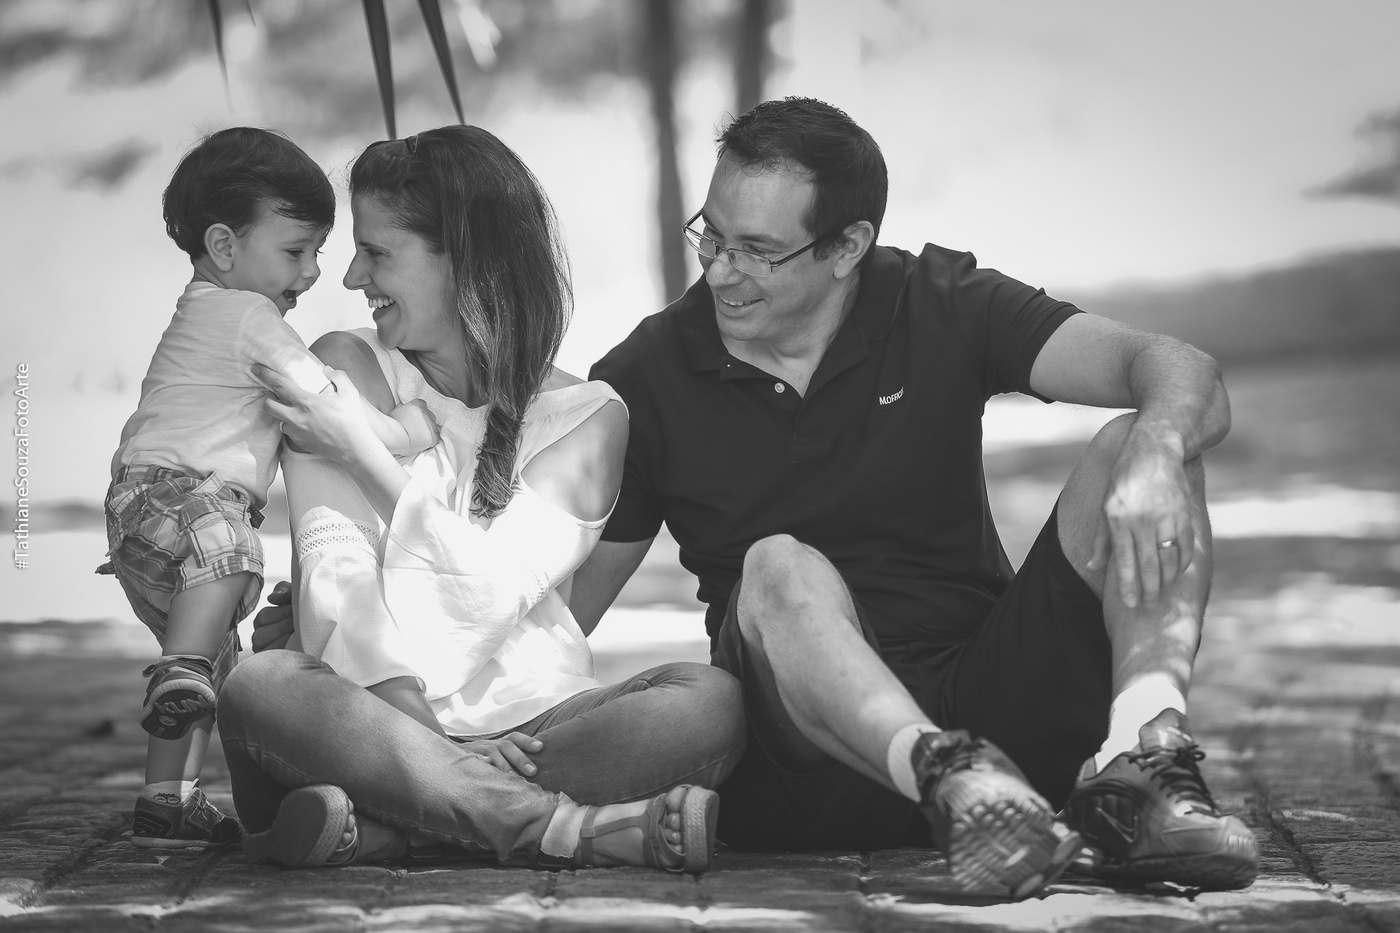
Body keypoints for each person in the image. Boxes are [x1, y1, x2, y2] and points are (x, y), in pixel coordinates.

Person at [573, 97, 1259, 897]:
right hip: (811, 766)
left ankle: (1143, 766)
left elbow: (1180, 371)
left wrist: (1156, 450)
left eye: (757, 250)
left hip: (996, 720)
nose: (720, 270)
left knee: (1142, 442)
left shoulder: (936, 298)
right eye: (712, 235)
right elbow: (566, 615)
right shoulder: (645, 374)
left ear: (847, 246)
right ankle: (953, 781)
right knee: (778, 565)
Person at [220, 124, 746, 873]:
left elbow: (484, 601)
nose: (352, 278)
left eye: (377, 253)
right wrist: (427, 739)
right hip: (369, 721)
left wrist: (363, 453)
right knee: (263, 684)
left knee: (706, 699)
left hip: (534, 731)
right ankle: (557, 828)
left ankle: (402, 822)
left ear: (465, 261)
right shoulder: (342, 367)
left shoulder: (588, 418)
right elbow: (342, 595)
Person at [99, 126, 438, 849]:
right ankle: (181, 671)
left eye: (317, 251)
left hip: (145, 521)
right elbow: (322, 398)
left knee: (217, 670)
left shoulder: (202, 309)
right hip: (183, 503)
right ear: (225, 247)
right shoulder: (246, 315)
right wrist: (405, 429)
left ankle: (166, 799)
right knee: (229, 559)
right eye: (296, 251)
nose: (313, 273)